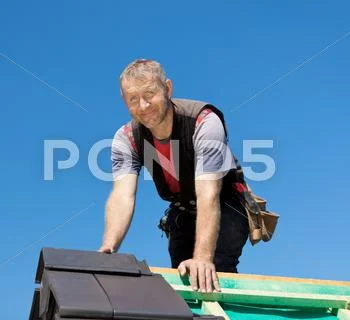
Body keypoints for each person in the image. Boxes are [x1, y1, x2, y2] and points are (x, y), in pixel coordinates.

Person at [99, 59, 250, 293]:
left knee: (214, 271)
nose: (143, 105)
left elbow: (209, 193)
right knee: (183, 281)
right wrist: (108, 249)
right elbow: (122, 196)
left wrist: (202, 257)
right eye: (133, 99)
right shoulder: (126, 138)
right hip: (183, 211)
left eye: (150, 94)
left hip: (226, 203)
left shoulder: (204, 121)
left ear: (167, 88)